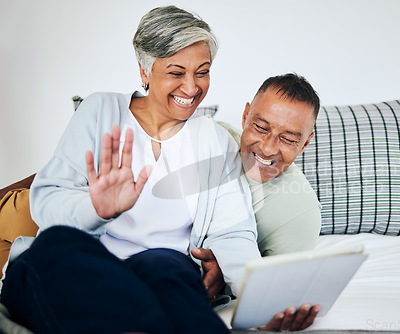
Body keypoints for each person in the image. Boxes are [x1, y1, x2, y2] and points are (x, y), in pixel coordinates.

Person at [1, 6, 261, 334]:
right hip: (84, 260)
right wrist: (95, 208)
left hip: (162, 267)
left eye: (202, 71)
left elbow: (233, 232)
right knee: (54, 247)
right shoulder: (100, 111)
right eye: (177, 72)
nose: (192, 87)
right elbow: (47, 202)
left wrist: (258, 296)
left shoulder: (215, 141)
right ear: (144, 71)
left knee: (169, 266)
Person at [192, 73, 323, 331]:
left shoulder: (300, 212)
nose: (267, 147)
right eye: (261, 128)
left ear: (306, 143)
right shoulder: (211, 139)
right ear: (245, 115)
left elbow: (273, 296)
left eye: (288, 138)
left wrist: (223, 273)